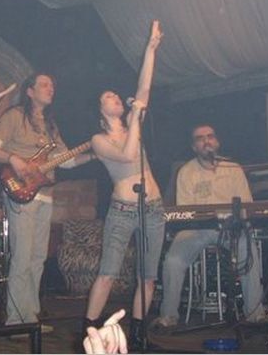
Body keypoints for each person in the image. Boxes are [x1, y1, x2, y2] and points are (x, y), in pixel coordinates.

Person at [0, 72, 94, 332]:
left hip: (45, 196)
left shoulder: (51, 126)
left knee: (37, 258)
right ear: (30, 92)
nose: (50, 87)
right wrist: (12, 159)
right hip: (20, 192)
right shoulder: (15, 116)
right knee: (22, 257)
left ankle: (30, 318)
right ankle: (15, 321)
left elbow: (66, 160)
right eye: (44, 84)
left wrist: (94, 154)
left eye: (52, 84)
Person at [83, 20, 166, 350]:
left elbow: (144, 89)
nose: (116, 97)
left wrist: (150, 49)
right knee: (108, 274)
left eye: (116, 95)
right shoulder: (99, 139)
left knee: (148, 277)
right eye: (109, 97)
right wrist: (134, 118)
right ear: (101, 110)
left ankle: (139, 337)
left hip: (153, 209)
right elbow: (129, 154)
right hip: (121, 212)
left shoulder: (133, 123)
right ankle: (89, 333)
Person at [154, 123, 266, 328]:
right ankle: (168, 316)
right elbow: (185, 212)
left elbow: (246, 205)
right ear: (193, 147)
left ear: (217, 142)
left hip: (230, 228)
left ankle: (255, 314)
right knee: (172, 261)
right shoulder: (186, 172)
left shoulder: (233, 168)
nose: (206, 141)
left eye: (210, 136)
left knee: (248, 250)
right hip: (197, 229)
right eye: (200, 138)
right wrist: (206, 217)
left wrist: (236, 221)